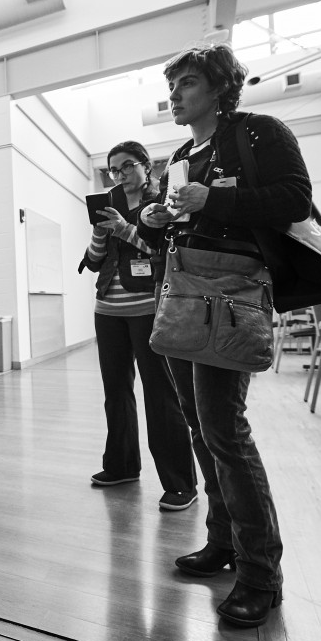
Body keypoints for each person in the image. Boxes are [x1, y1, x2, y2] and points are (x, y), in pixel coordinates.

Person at [138, 42, 312, 628]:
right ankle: (223, 542)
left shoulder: (259, 131)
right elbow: (183, 218)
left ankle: (261, 573)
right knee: (200, 426)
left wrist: (213, 198)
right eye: (173, 85)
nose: (175, 94)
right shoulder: (182, 154)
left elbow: (294, 199)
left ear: (218, 87)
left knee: (225, 431)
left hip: (230, 298)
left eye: (187, 83)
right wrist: (159, 218)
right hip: (184, 293)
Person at [78, 141, 197, 511]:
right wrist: (102, 231)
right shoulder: (110, 202)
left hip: (149, 307)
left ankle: (181, 483)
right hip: (107, 309)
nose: (121, 174)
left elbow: (161, 250)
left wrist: (126, 228)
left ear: (146, 167)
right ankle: (122, 466)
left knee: (160, 394)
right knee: (116, 391)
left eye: (128, 166)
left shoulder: (162, 200)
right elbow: (96, 261)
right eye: (114, 169)